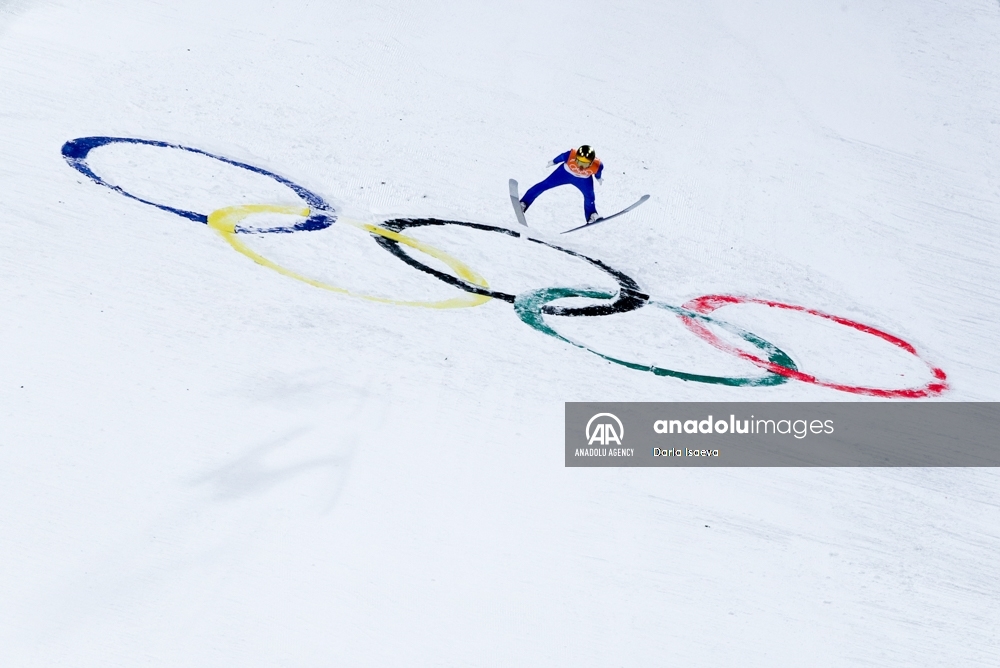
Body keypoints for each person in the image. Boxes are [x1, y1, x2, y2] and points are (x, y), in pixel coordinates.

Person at [520, 145, 604, 223]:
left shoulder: (597, 165)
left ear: (591, 162)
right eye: (578, 161)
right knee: (544, 185)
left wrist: (598, 178)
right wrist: (554, 161)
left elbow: (598, 172)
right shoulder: (571, 155)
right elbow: (561, 157)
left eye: (585, 164)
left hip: (583, 180)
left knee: (590, 197)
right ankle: (524, 202)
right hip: (564, 173)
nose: (580, 166)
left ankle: (591, 215)